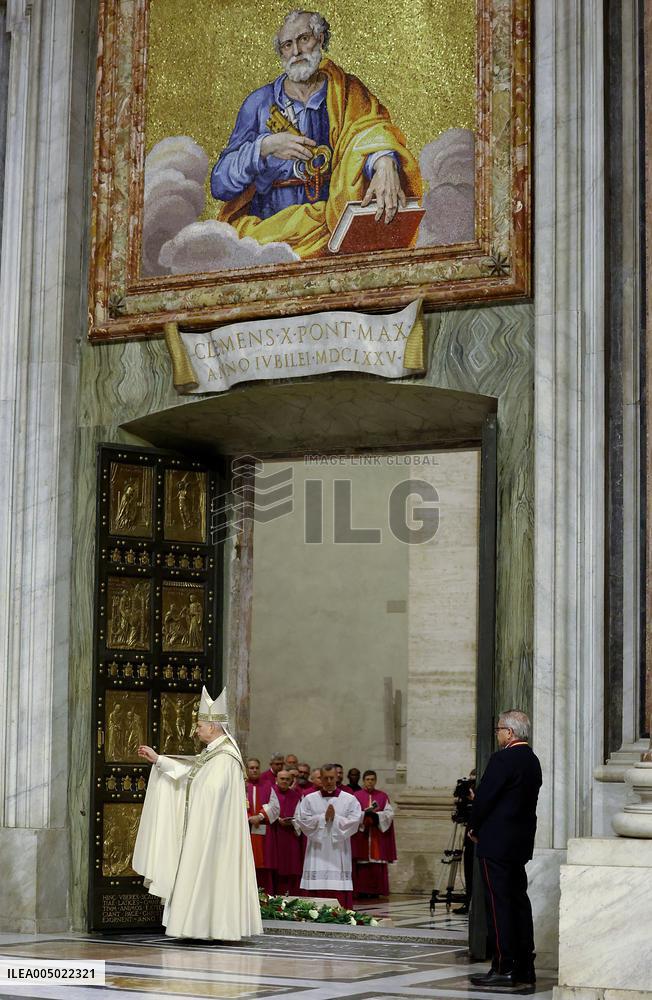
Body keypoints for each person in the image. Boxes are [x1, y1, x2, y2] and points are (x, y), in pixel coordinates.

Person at [210, 9, 422, 258]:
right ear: (281, 53)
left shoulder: (347, 91)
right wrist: (264, 147)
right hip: (271, 236)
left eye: (303, 39)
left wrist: (384, 160)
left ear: (320, 39)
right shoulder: (259, 104)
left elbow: (371, 130)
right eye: (287, 45)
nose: (296, 51)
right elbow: (220, 184)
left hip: (335, 227)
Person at [132, 686, 262, 940]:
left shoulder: (225, 757)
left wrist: (190, 803)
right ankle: (198, 927)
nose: (196, 730)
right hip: (204, 829)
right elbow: (191, 775)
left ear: (213, 727)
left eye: (200, 726)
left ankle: (207, 927)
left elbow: (210, 791)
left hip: (212, 834)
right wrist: (159, 760)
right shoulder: (213, 753)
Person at [468, 710, 542, 989]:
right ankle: (525, 967)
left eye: (499, 729)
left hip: (496, 842)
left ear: (509, 733)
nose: (497, 733)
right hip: (519, 843)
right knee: (518, 902)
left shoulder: (503, 759)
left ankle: (503, 966)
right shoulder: (532, 760)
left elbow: (485, 797)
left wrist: (473, 826)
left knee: (498, 905)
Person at [294, 762, 362, 907]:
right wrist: (322, 818)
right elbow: (302, 820)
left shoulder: (349, 799)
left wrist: (335, 818)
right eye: (325, 778)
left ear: (337, 777)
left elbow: (355, 821)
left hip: (339, 850)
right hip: (317, 849)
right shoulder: (309, 799)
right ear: (320, 778)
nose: (329, 781)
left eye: (332, 778)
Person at [351, 770, 397, 896]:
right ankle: (362, 890)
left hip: (377, 834)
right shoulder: (356, 796)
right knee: (362, 863)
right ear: (363, 781)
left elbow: (389, 814)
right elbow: (352, 814)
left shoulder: (382, 796)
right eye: (367, 779)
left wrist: (377, 816)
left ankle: (376, 891)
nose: (370, 782)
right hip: (362, 834)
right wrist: (364, 815)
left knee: (376, 862)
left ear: (376, 781)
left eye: (372, 779)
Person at [265, 769, 303, 894]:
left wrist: (292, 822)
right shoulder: (270, 792)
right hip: (274, 833)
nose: (285, 781)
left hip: (290, 835)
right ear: (276, 779)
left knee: (290, 865)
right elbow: (265, 808)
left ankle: (289, 894)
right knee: (274, 865)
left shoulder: (296, 796)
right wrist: (277, 819)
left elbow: (299, 815)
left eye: (287, 779)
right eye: (282, 779)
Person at [246, 757, 277, 892]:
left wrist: (260, 816)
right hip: (245, 830)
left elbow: (274, 806)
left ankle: (266, 894)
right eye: (251, 768)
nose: (254, 770)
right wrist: (248, 818)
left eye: (256, 768)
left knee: (264, 866)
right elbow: (233, 805)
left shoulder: (268, 785)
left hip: (263, 830)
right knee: (247, 863)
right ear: (246, 770)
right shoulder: (240, 786)